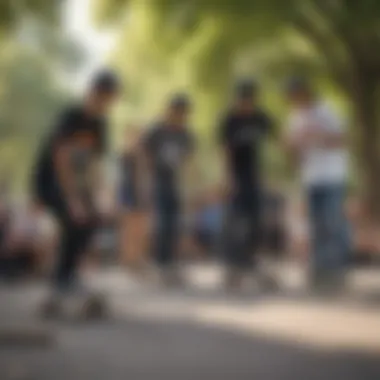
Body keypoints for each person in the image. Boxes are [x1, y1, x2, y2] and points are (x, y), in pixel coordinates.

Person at [33, 70, 120, 306]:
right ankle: (61, 280)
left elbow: (94, 164)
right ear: (92, 93)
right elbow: (61, 158)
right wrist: (72, 200)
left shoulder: (100, 125)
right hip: (50, 180)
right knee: (73, 218)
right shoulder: (71, 116)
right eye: (102, 98)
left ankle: (69, 277)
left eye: (110, 100)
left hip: (78, 185)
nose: (105, 104)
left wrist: (102, 196)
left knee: (93, 217)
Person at [285, 76, 350, 291]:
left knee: (331, 223)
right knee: (316, 226)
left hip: (332, 176)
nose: (294, 99)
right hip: (310, 177)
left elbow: (342, 140)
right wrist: (293, 146)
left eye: (296, 93)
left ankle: (335, 272)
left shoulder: (326, 110)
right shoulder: (295, 118)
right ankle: (320, 271)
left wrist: (317, 135)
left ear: (305, 91)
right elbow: (293, 153)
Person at [219, 79, 275, 290]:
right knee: (235, 222)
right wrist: (227, 178)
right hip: (236, 177)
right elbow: (224, 149)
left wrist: (270, 175)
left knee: (255, 220)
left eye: (249, 101)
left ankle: (252, 261)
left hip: (255, 176)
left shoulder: (260, 118)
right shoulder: (230, 120)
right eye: (243, 101)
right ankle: (234, 265)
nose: (246, 105)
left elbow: (274, 141)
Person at [144, 95, 195, 286]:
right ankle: (159, 262)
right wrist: (145, 181)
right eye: (177, 112)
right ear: (170, 111)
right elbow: (145, 155)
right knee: (162, 222)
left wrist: (189, 185)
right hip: (158, 180)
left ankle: (170, 262)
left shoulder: (184, 134)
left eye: (183, 113)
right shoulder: (157, 130)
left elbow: (187, 159)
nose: (180, 116)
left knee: (175, 222)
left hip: (174, 181)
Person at [119, 127, 149, 273]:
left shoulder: (134, 155)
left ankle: (135, 258)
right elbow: (138, 177)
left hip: (131, 192)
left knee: (138, 227)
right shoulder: (133, 155)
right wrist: (141, 194)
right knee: (132, 228)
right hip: (132, 192)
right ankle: (131, 259)